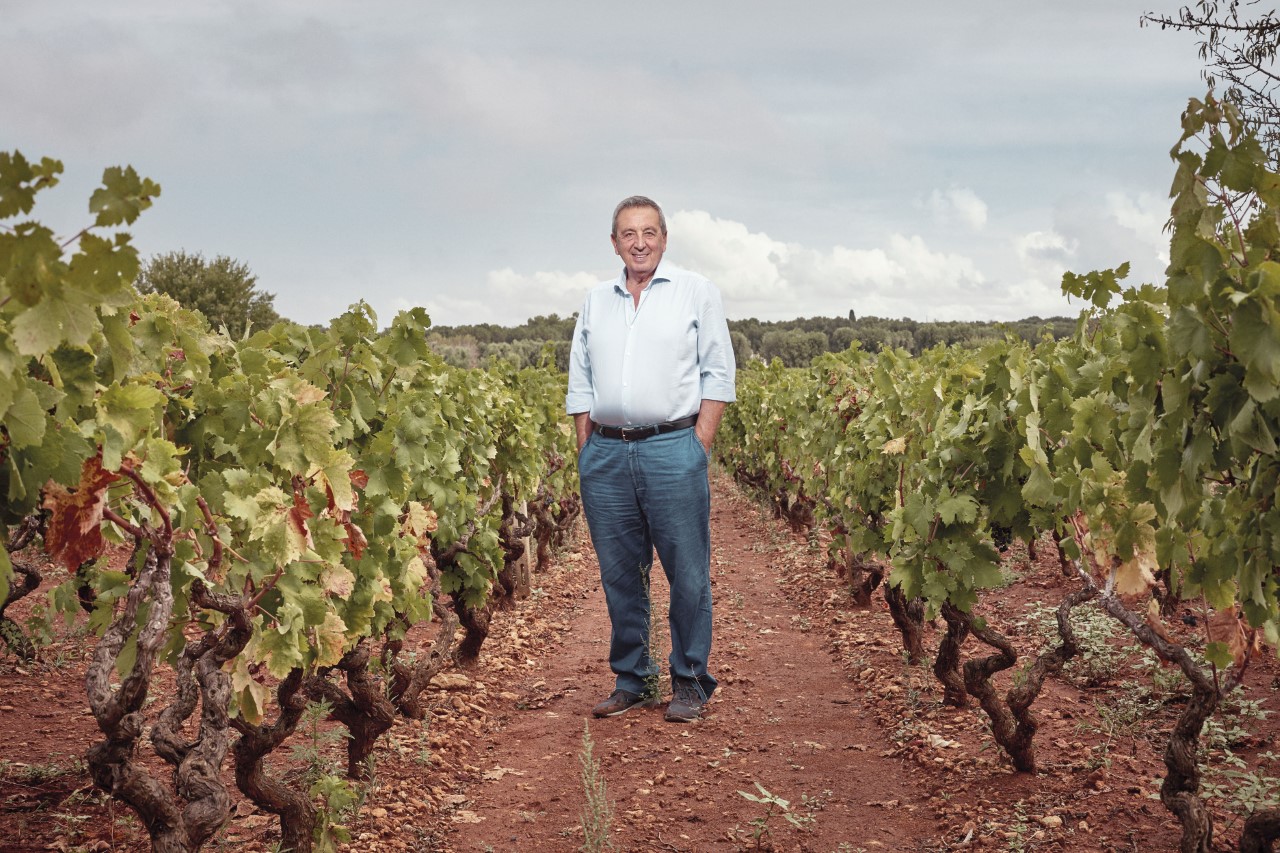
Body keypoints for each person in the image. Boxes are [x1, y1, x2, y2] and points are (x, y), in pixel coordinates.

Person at [566, 195, 736, 723]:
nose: (639, 242)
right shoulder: (596, 300)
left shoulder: (695, 292)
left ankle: (690, 680)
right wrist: (587, 446)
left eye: (649, 232)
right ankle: (633, 679)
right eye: (628, 233)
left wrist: (697, 444)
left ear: (664, 237)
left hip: (672, 448)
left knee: (687, 572)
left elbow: (719, 372)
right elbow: (580, 381)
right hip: (608, 454)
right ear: (614, 242)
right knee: (620, 574)